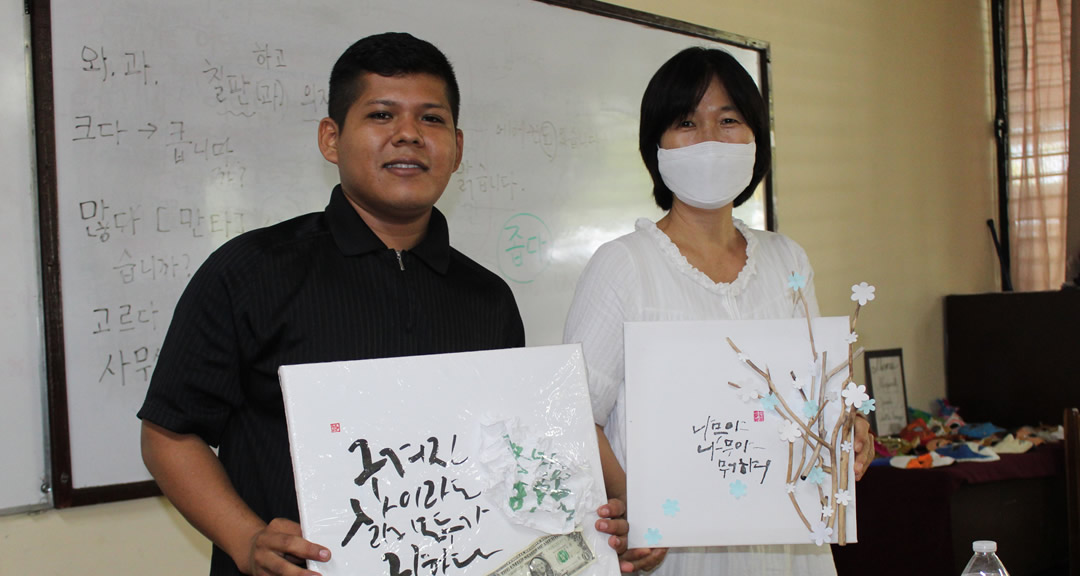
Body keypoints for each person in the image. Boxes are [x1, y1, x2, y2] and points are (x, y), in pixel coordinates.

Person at [138, 32, 525, 576]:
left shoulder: (490, 299)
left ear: (457, 147)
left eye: (431, 119)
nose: (409, 135)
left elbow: (503, 452)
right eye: (382, 115)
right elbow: (169, 434)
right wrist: (246, 539)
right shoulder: (250, 271)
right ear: (331, 138)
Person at [564, 46, 874, 575]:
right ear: (655, 146)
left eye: (728, 120)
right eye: (686, 122)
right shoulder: (624, 265)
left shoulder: (787, 259)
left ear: (755, 138)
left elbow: (815, 398)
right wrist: (637, 506)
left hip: (788, 546)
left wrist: (847, 431)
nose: (709, 138)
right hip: (672, 553)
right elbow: (575, 417)